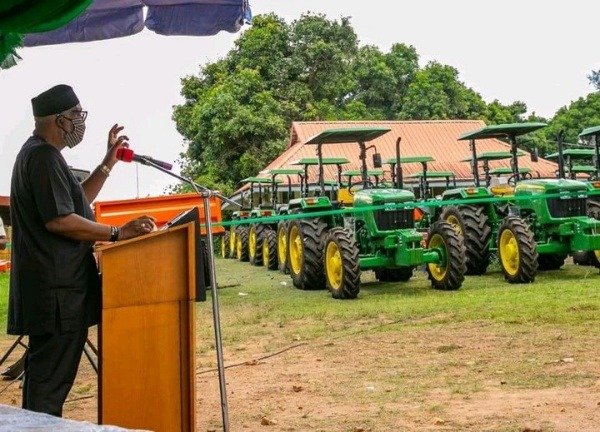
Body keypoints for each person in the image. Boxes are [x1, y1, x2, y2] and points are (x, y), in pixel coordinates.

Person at [8, 84, 156, 417]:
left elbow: (78, 203)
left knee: (48, 385)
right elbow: (60, 221)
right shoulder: (42, 156)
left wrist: (108, 162)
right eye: (76, 115)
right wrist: (117, 232)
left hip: (59, 295)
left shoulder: (43, 155)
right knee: (48, 390)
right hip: (56, 296)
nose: (80, 122)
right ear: (59, 120)